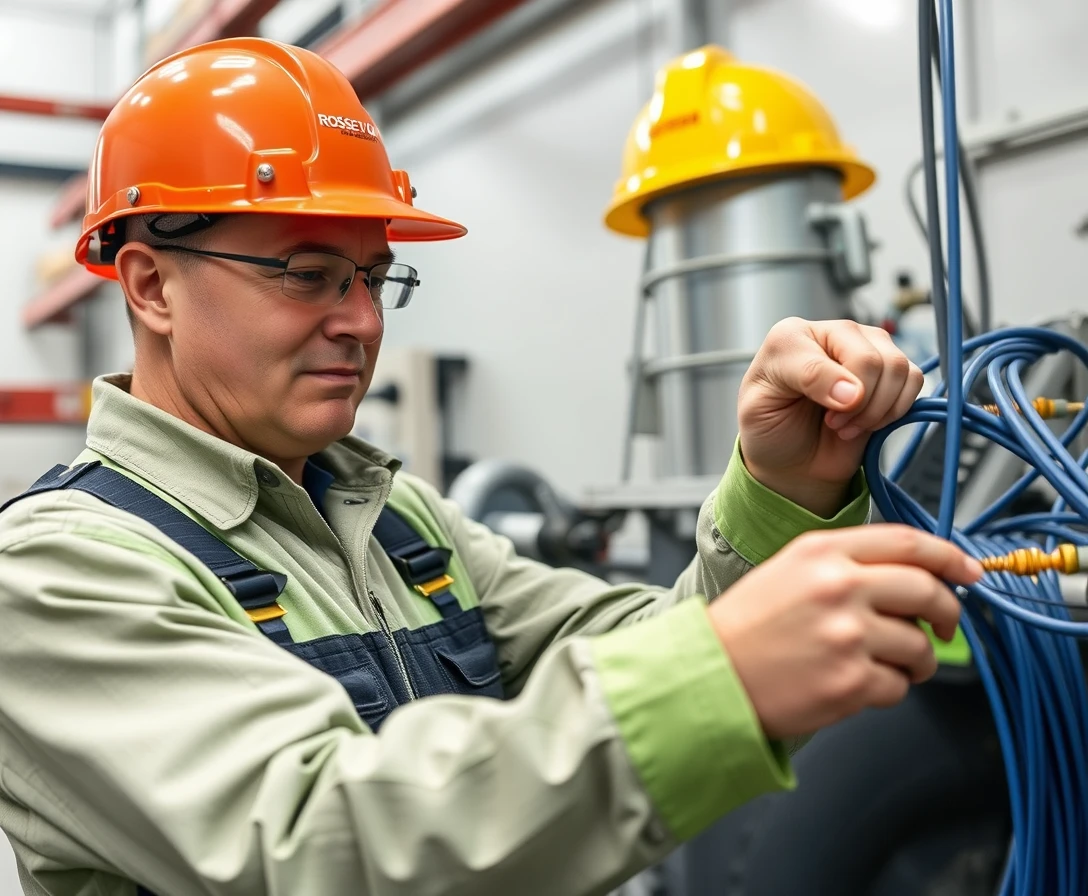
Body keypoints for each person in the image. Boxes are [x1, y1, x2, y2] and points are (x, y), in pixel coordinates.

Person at [0, 37, 980, 896]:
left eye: (375, 278)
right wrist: (722, 677)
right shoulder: (55, 573)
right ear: (149, 284)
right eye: (307, 273)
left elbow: (646, 649)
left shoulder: (394, 520)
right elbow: (312, 838)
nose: (361, 319)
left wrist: (780, 492)